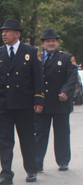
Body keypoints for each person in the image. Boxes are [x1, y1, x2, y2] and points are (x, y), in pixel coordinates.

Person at [0, 19, 44, 185]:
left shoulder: (31, 52)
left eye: (8, 31)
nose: (4, 34)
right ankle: (6, 174)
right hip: (3, 104)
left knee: (27, 139)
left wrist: (38, 99)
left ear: (17, 34)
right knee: (5, 140)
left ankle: (31, 170)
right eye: (3, 32)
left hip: (24, 104)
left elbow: (38, 78)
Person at [35, 29, 78, 172]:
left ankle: (63, 161)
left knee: (62, 133)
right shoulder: (37, 58)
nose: (51, 43)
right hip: (43, 104)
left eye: (53, 41)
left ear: (58, 43)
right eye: (48, 41)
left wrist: (66, 91)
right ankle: (37, 162)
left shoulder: (67, 58)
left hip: (61, 103)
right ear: (43, 44)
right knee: (40, 134)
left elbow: (73, 77)